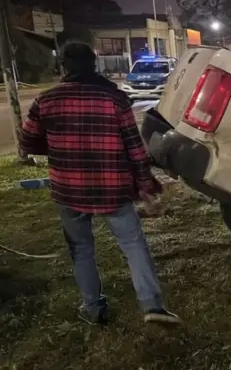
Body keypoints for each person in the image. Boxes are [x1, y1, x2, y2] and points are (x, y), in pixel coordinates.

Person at [19, 42, 180, 326]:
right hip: (113, 188)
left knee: (81, 249)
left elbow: (28, 142)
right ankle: (152, 306)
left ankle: (93, 308)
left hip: (68, 189)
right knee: (133, 244)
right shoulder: (115, 99)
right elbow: (135, 147)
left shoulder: (45, 101)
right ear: (94, 64)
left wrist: (61, 148)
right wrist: (144, 181)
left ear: (63, 67)